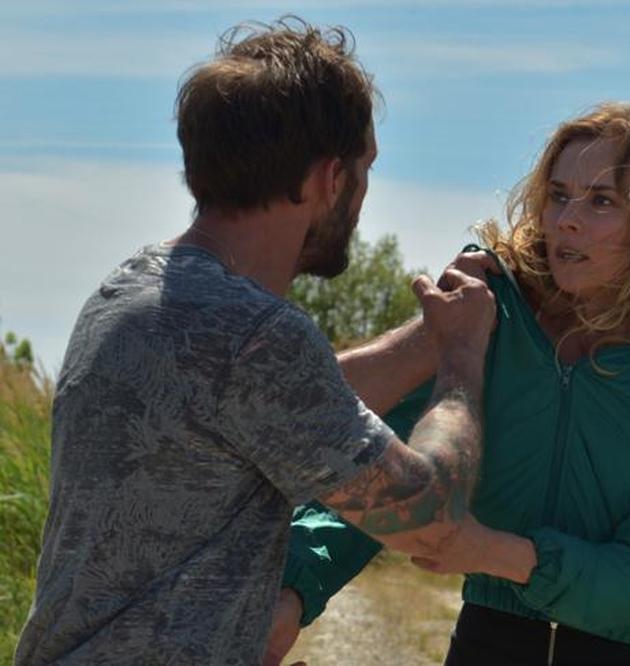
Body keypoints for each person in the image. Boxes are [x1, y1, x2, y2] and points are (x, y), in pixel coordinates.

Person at [14, 18, 496, 665]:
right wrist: (462, 358)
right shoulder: (255, 338)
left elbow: (277, 408)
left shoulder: (133, 290)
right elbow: (428, 515)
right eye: (364, 168)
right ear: (328, 179)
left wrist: (432, 334)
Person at [269, 102, 630, 665]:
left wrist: (485, 550)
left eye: (602, 201)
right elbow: (382, 466)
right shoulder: (490, 315)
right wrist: (293, 590)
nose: (566, 220)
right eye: (558, 195)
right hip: (487, 643)